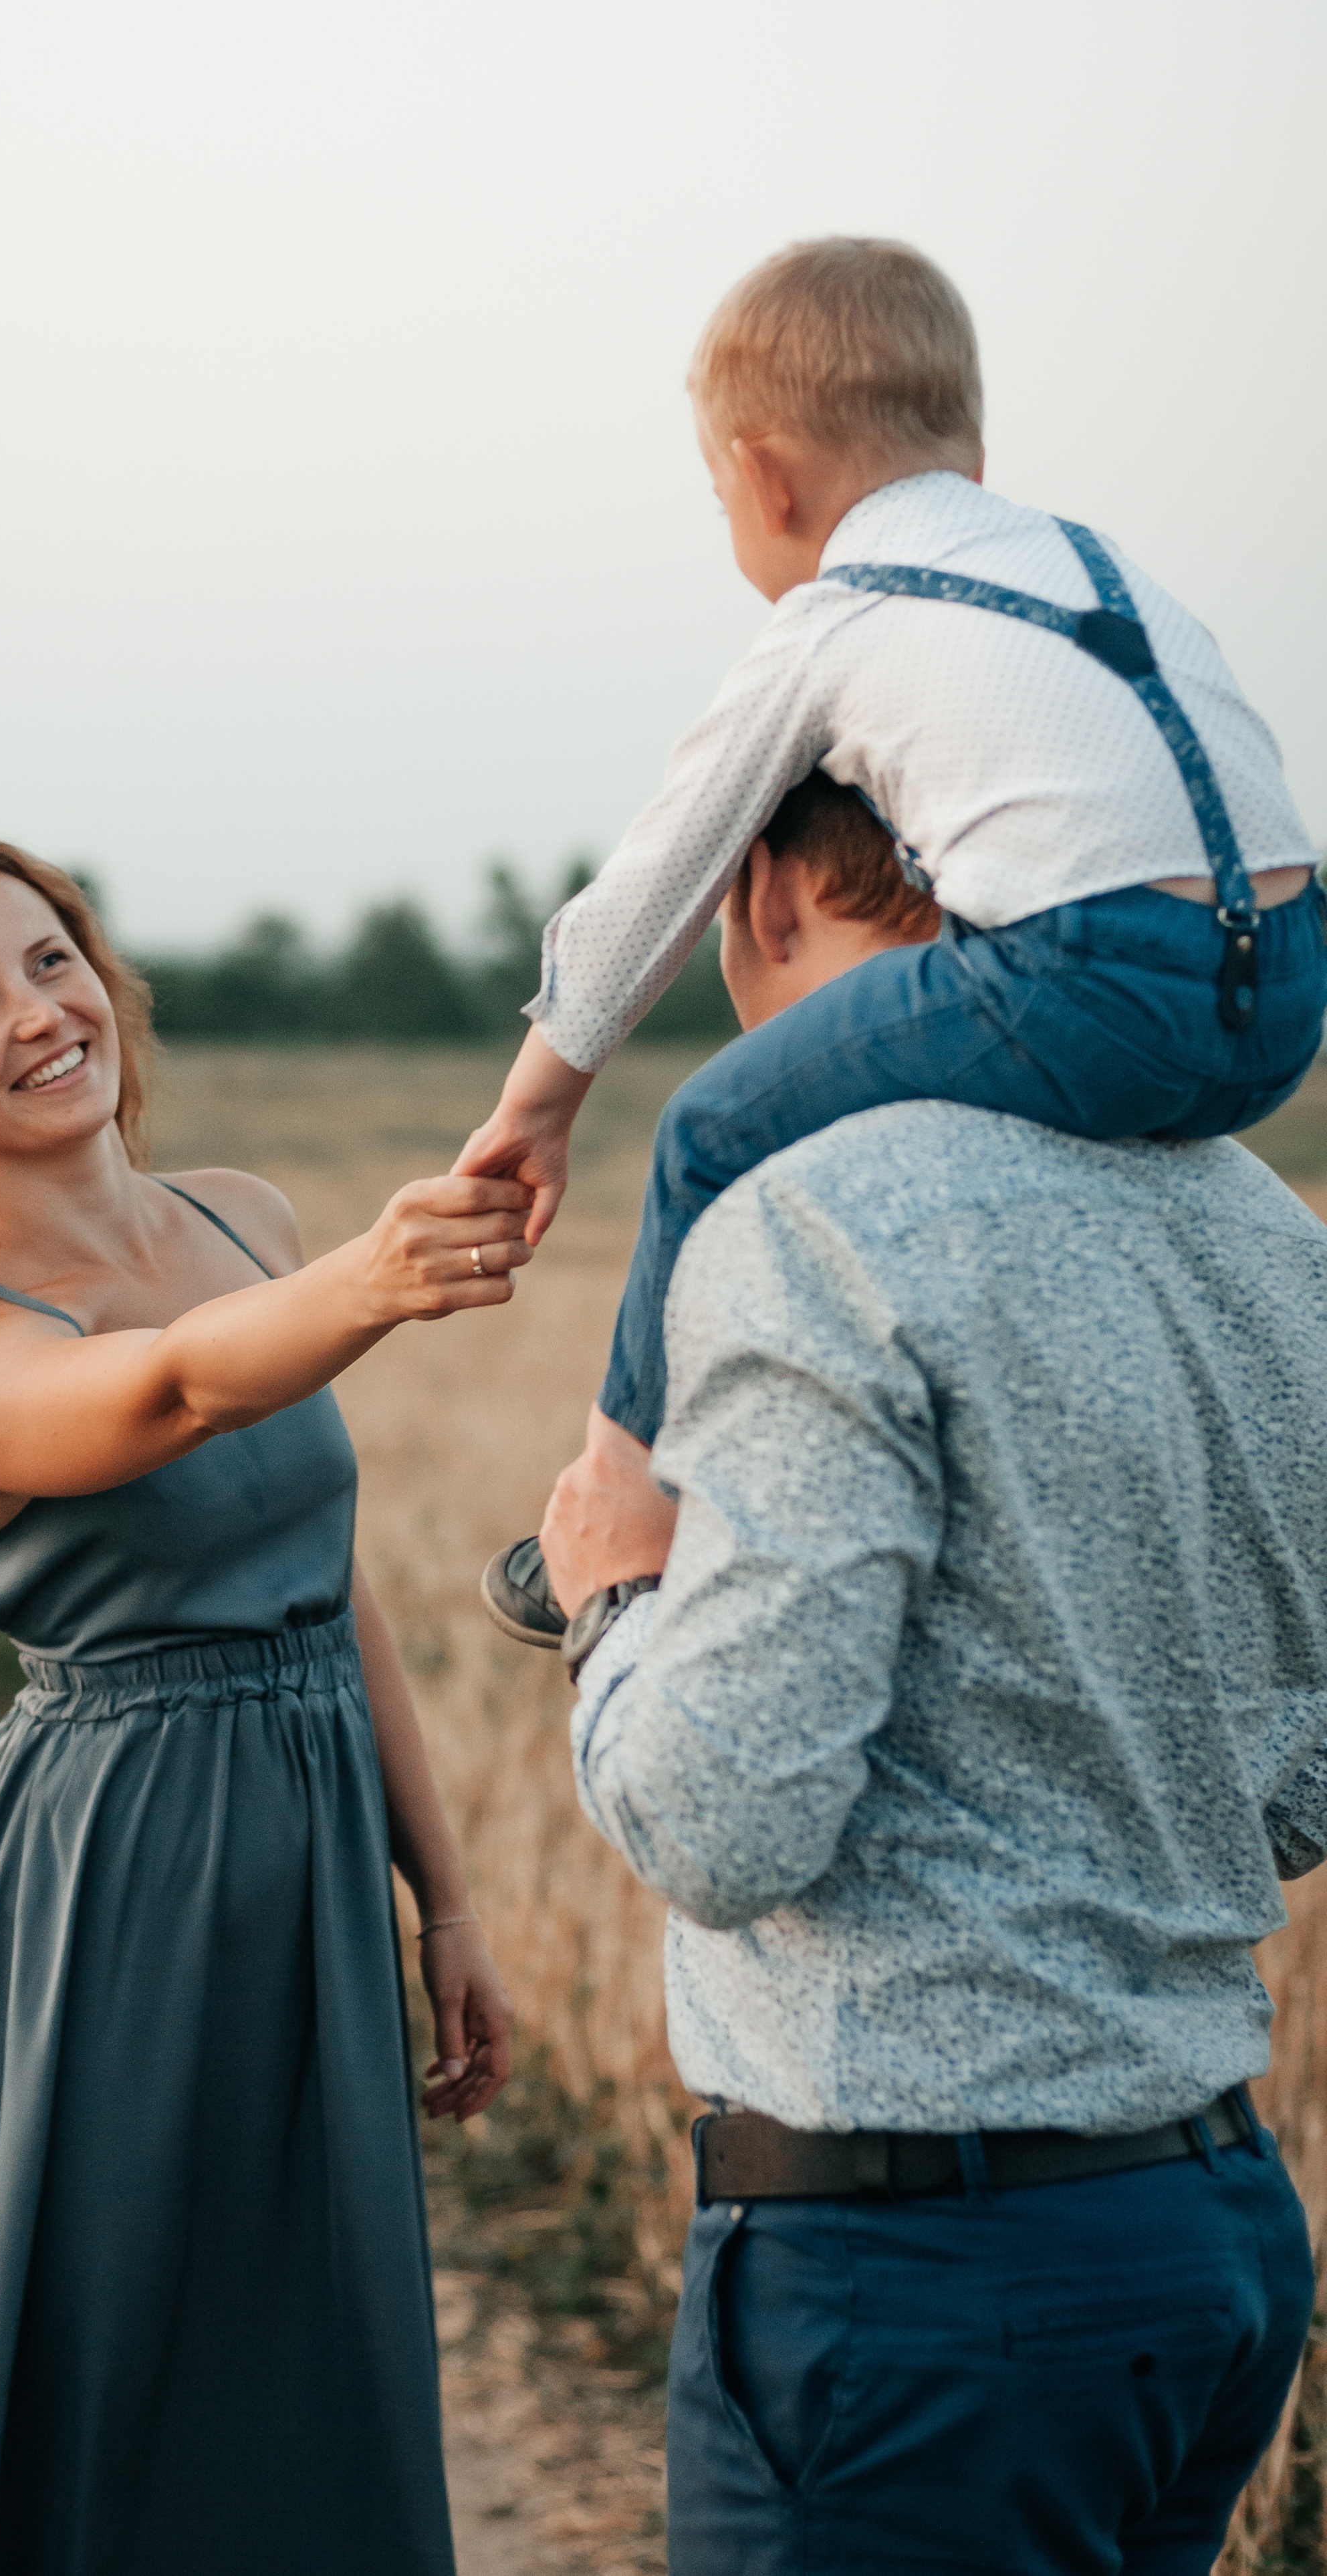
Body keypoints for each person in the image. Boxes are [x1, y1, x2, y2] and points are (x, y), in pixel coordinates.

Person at [0, 832, 527, 2576]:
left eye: (51, 959)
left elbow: (331, 1571)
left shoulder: (246, 1216)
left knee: (316, 2343)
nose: (39, 1014)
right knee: (136, 2378)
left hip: (304, 1843)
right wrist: (376, 1280)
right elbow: (173, 1383)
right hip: (120, 1882)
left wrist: (442, 1893)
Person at [533, 775, 1327, 2575]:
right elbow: (1302, 1775)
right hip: (1207, 2238)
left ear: (754, 899)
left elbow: (727, 1820)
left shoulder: (809, 1220)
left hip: (921, 2282)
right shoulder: (1259, 1223)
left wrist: (609, 1604)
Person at [463, 233, 1324, 1648]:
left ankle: (621, 1497)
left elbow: (664, 868)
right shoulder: (1099, 571)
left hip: (1094, 975)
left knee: (705, 1127)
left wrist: (535, 1105)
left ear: (761, 477)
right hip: (1284, 988)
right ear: (966, 456)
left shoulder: (842, 612)